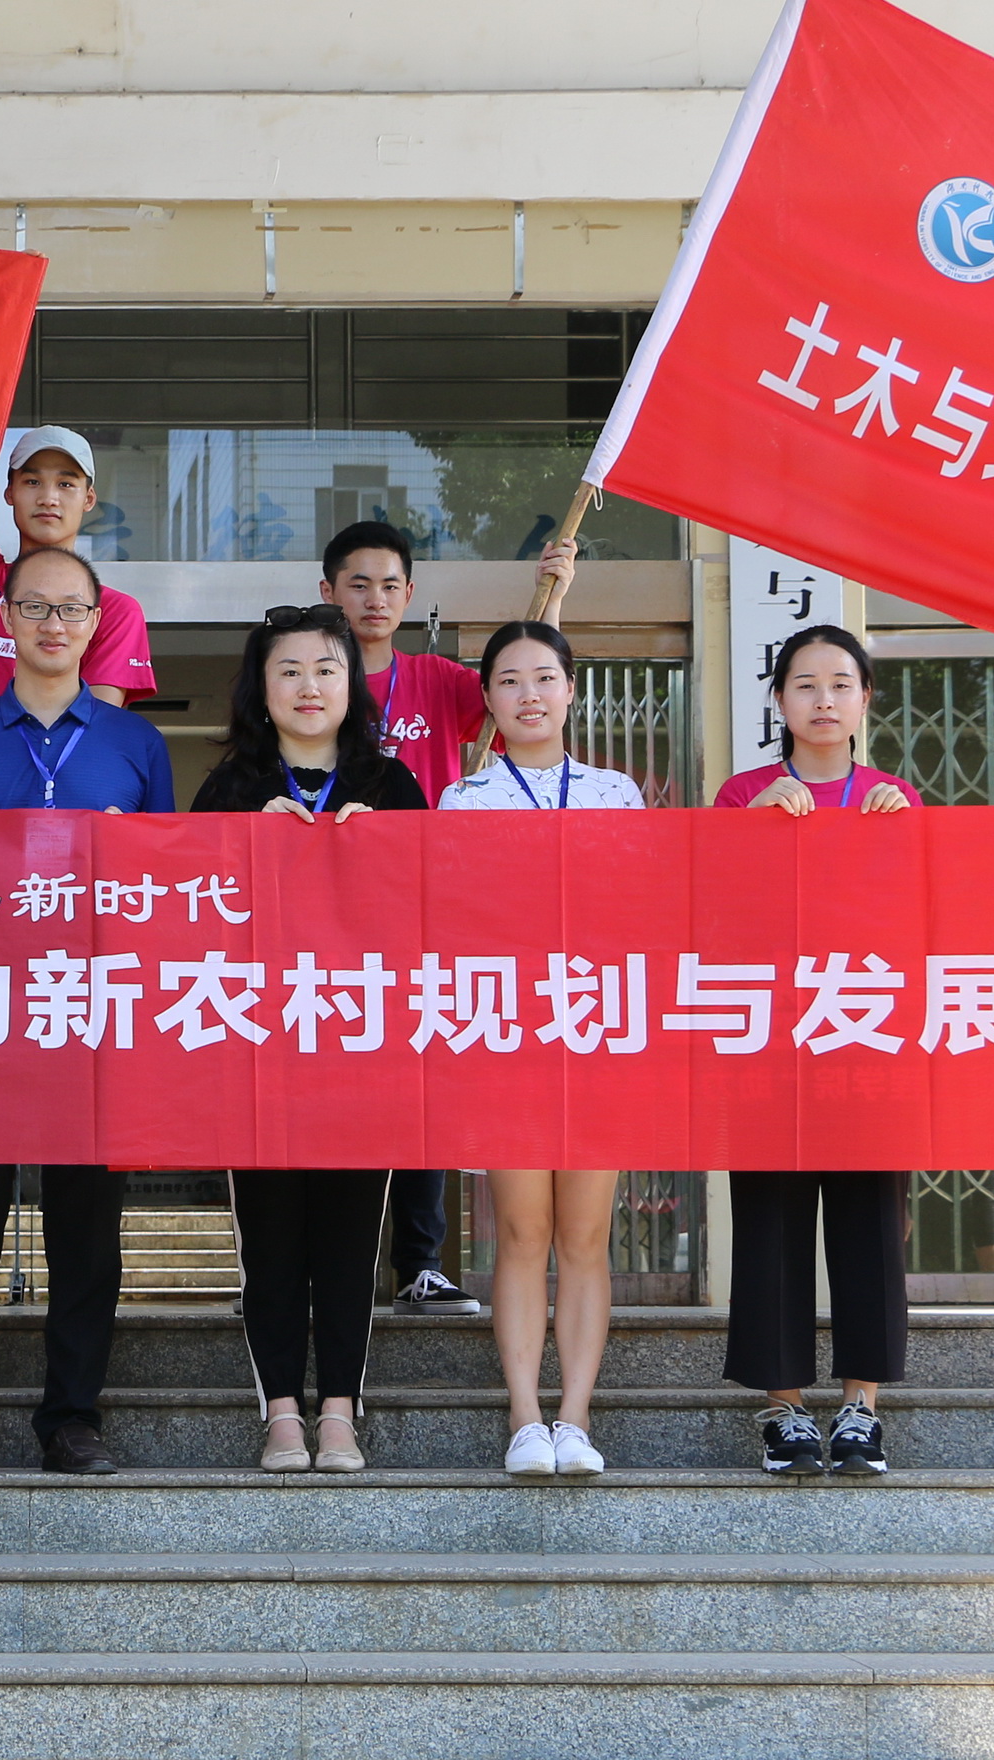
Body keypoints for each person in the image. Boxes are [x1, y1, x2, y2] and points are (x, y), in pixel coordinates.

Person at [0, 544, 175, 1475]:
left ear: (97, 624)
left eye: (71, 609)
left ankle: (71, 1418)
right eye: (34, 607)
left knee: (86, 1235)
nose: (53, 624)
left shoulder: (137, 746)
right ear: (5, 619)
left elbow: (161, 893)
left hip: (91, 1017)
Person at [317, 518, 576, 1321]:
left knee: (424, 1083)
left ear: (410, 595)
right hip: (331, 908)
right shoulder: (314, 676)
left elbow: (523, 683)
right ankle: (312, 1266)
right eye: (358, 584)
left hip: (431, 909)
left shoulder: (434, 679)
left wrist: (554, 596)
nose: (375, 598)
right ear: (328, 592)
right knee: (331, 1083)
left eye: (390, 585)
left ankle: (421, 1264)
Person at [191, 604, 427, 1472]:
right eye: (287, 670)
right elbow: (188, 914)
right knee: (271, 1240)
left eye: (326, 669)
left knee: (350, 1241)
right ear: (261, 688)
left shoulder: (393, 784)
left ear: (352, 684)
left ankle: (339, 1411)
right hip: (256, 1053)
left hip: (363, 1053)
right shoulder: (229, 788)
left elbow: (435, 910)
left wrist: (381, 853)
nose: (308, 686)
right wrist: (250, 847)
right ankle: (283, 1411)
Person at [711, 624, 921, 1476]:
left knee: (871, 1222)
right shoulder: (743, 795)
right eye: (805, 685)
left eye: (841, 684)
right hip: (770, 1040)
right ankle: (784, 1409)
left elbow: (922, 921)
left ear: (865, 699)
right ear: (778, 700)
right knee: (770, 1220)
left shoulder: (895, 797)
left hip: (866, 1038)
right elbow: (714, 911)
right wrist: (751, 830)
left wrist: (903, 839)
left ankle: (861, 1408)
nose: (824, 700)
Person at [439, 620, 642, 1476]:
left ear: (570, 691)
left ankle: (576, 1419)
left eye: (545, 678)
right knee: (522, 1233)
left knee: (585, 1236)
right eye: (510, 681)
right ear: (487, 698)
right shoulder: (464, 799)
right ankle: (525, 1418)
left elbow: (641, 910)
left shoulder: (616, 792)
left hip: (597, 1029)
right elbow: (454, 919)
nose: (529, 695)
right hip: (508, 1032)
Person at [0, 426, 159, 713]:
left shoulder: (115, 611)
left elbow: (94, 726)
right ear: (9, 493)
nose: (48, 498)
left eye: (65, 484)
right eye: (32, 482)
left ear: (89, 499)